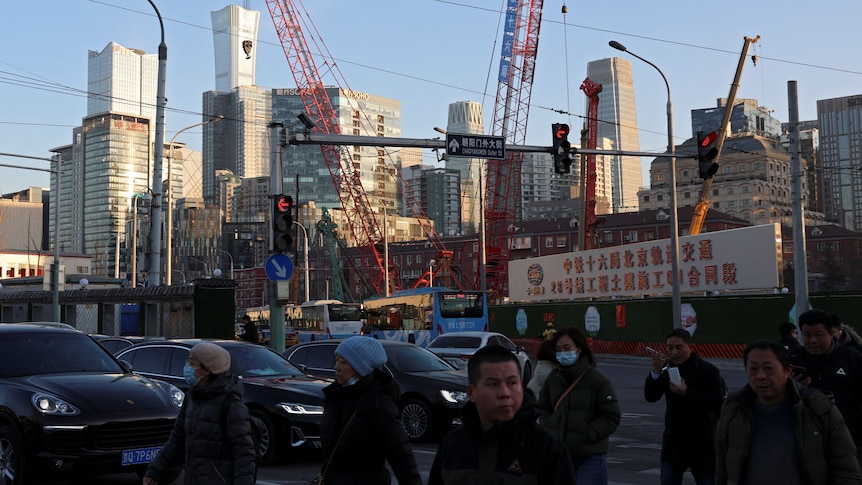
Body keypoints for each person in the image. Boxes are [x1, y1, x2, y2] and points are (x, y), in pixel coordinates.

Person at [716, 339, 862, 485]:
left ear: (788, 370)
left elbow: (846, 469)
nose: (760, 376)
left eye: (768, 368)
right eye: (753, 369)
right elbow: (723, 468)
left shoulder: (819, 408)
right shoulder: (734, 408)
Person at [429, 345, 576, 484]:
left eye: (512, 383)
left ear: (522, 387)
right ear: (471, 393)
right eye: (493, 384)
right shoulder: (453, 446)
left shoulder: (547, 447)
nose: (505, 393)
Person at [144, 342, 256, 484]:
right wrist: (155, 470)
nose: (187, 367)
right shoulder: (192, 397)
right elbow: (177, 439)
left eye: (192, 363)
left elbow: (244, 453)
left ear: (207, 370)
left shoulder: (231, 404)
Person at [319, 336, 421, 484]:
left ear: (360, 367)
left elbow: (400, 453)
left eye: (343, 362)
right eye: (336, 360)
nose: (337, 367)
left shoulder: (378, 402)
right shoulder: (336, 396)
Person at [537, 326, 620, 485]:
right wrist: (550, 429)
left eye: (567, 348)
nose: (563, 353)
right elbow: (542, 408)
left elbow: (611, 416)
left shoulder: (597, 380)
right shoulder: (553, 379)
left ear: (579, 349)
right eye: (558, 350)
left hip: (590, 458)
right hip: (560, 457)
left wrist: (588, 434)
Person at [644, 328, 725, 485]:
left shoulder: (708, 370)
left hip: (703, 445)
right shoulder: (666, 369)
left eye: (679, 347)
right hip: (673, 444)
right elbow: (651, 397)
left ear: (690, 347)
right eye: (670, 347)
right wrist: (655, 372)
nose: (674, 352)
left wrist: (687, 392)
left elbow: (717, 402)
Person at [791, 309, 862, 466]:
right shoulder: (794, 360)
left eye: (819, 335)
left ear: (831, 333)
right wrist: (793, 388)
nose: (813, 341)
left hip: (850, 439)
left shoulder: (852, 358)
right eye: (807, 335)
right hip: (808, 441)